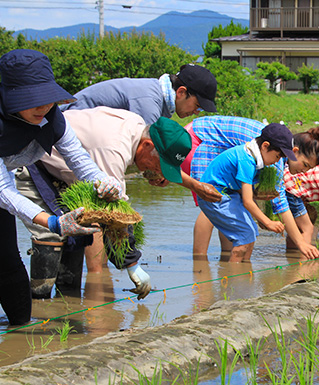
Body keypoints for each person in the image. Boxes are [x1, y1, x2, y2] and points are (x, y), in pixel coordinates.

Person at [16, 107, 196, 298]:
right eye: (160, 165)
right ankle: (39, 306)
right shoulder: (113, 149)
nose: (158, 172)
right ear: (148, 145)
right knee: (49, 234)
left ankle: (67, 303)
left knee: (76, 228)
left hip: (62, 174)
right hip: (31, 160)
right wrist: (132, 265)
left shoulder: (135, 125)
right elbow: (114, 216)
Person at [0, 49, 123, 325]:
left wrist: (104, 182)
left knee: (7, 258)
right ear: (11, 96)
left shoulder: (53, 118)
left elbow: (79, 159)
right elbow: (4, 190)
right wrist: (53, 223)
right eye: (33, 101)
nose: (43, 107)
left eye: (47, 99)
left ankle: (20, 332)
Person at [183, 116, 319, 260]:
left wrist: (259, 212)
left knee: (241, 227)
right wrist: (299, 242)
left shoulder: (273, 150)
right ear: (294, 151)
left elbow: (246, 192)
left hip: (209, 142)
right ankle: (200, 262)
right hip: (198, 138)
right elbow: (280, 203)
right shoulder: (273, 154)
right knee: (212, 198)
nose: (304, 171)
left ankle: (227, 259)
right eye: (305, 165)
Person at [198, 123, 296, 262]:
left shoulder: (253, 156)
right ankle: (233, 278)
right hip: (214, 195)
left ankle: (244, 272)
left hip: (230, 194)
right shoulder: (247, 160)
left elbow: (246, 194)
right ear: (265, 146)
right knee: (244, 237)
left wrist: (259, 196)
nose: (277, 161)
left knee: (251, 233)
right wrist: (268, 222)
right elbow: (247, 201)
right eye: (278, 156)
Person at [61, 63, 217, 124]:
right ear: (181, 92)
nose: (197, 112)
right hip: (68, 126)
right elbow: (145, 150)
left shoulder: (156, 96)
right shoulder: (149, 101)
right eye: (198, 106)